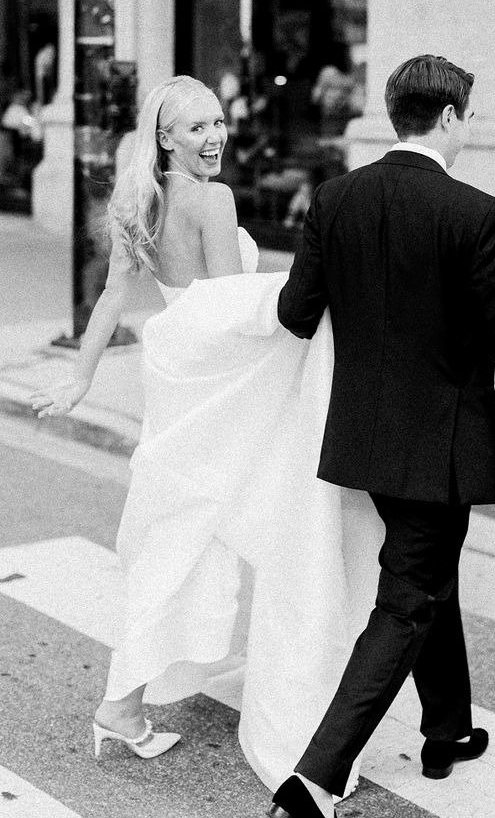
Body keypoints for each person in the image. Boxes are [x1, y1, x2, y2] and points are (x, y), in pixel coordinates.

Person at [29, 75, 382, 792]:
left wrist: (82, 377)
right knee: (258, 527)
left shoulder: (140, 201)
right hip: (221, 384)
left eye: (219, 122)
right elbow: (236, 312)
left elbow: (110, 301)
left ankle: (121, 708)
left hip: (175, 374)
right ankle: (148, 702)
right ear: (166, 137)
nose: (216, 136)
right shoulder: (213, 200)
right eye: (197, 128)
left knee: (180, 536)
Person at [270, 54, 495, 818]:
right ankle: (313, 777)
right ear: (448, 117)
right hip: (438, 447)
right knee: (408, 598)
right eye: (470, 116)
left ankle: (447, 729)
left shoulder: (335, 198)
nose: (470, 128)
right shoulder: (476, 213)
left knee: (424, 568)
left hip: (363, 442)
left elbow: (294, 311)